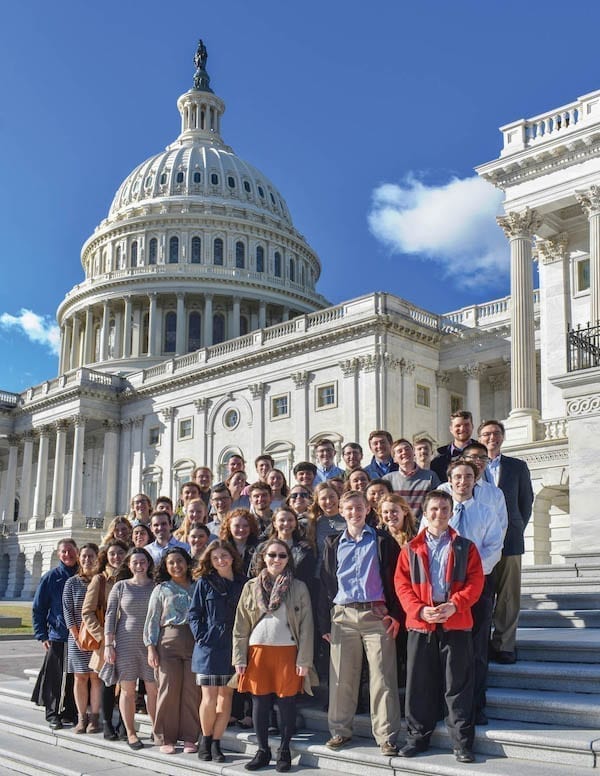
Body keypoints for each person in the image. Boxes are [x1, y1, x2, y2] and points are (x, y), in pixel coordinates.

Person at [394, 490, 484, 764]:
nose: (439, 514)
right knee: (419, 684)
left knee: (457, 685)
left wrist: (455, 605)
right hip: (422, 624)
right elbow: (402, 584)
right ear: (425, 513)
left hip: (455, 622)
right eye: (434, 509)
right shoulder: (411, 548)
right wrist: (420, 610)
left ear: (451, 512)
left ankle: (461, 743)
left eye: (445, 509)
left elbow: (475, 581)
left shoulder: (465, 546)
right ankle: (417, 738)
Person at [319, 491, 401, 755]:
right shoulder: (332, 543)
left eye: (359, 507)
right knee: (342, 677)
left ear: (368, 509)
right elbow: (325, 583)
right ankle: (340, 731)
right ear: (341, 511)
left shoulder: (382, 540)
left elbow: (397, 579)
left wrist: (396, 614)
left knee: (383, 677)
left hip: (376, 614)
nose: (354, 512)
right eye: (349, 508)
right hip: (343, 616)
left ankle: (386, 736)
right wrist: (325, 624)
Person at [233, 539, 315, 772]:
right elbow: (240, 624)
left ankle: (284, 750)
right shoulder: (250, 586)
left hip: (287, 652)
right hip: (257, 652)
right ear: (264, 557)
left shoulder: (298, 587)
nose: (276, 560)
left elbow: (307, 626)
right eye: (272, 555)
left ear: (288, 559)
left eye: (282, 555)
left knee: (287, 703)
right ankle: (262, 750)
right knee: (259, 703)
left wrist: (304, 660)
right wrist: (239, 657)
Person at [445, 460, 505, 725]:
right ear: (450, 480)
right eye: (457, 477)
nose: (462, 481)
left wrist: (471, 575)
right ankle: (447, 705)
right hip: (445, 589)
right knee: (449, 650)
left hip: (478, 587)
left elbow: (494, 548)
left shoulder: (486, 512)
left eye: (468, 476)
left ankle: (476, 706)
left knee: (478, 648)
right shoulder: (438, 512)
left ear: (475, 479)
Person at [479, 419, 533, 665]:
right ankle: (481, 642)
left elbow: (526, 503)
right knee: (481, 593)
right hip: (479, 543)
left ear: (502, 437)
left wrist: (516, 526)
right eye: (487, 434)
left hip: (510, 540)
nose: (491, 437)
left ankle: (504, 644)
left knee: (509, 596)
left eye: (496, 433)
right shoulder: (472, 466)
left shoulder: (517, 467)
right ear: (480, 438)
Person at [189, 540, 247, 762]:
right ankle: (205, 738)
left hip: (234, 646)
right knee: (209, 696)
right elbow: (194, 614)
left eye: (224, 556)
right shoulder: (205, 583)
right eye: (215, 558)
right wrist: (202, 636)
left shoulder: (243, 583)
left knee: (226, 696)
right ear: (210, 562)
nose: (221, 560)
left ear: (232, 557)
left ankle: (216, 743)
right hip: (210, 647)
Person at [144, 547, 199, 754]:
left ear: (187, 563)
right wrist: (151, 648)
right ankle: (166, 737)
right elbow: (152, 620)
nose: (176, 565)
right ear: (166, 567)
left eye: (180, 561)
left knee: (192, 691)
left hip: (194, 641)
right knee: (168, 689)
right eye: (171, 563)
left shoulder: (197, 586)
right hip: (168, 641)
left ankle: (190, 737)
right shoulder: (162, 589)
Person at [104, 547, 157, 750]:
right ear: (129, 564)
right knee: (127, 691)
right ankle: (131, 733)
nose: (139, 565)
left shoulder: (156, 587)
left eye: (143, 561)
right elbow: (110, 616)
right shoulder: (120, 587)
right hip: (125, 643)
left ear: (148, 563)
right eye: (135, 562)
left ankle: (156, 728)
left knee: (152, 689)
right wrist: (109, 645)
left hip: (150, 644)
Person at [82, 539, 128, 740]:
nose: (116, 557)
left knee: (127, 684)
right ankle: (108, 722)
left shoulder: (132, 576)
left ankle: (124, 723)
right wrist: (102, 637)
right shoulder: (99, 580)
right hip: (107, 641)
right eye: (112, 554)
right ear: (106, 556)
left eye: (120, 553)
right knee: (108, 684)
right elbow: (87, 612)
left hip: (128, 639)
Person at [31, 538, 79, 729]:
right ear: (59, 554)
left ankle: (70, 710)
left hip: (79, 637)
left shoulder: (84, 576)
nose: (67, 554)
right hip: (58, 635)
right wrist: (41, 634)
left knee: (75, 676)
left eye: (70, 550)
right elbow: (38, 608)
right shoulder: (51, 577)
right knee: (55, 677)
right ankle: (52, 713)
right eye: (63, 551)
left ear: (77, 551)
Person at [62, 542, 102, 734]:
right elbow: (67, 612)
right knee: (80, 677)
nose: (87, 559)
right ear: (79, 558)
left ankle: (94, 718)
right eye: (84, 556)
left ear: (97, 557)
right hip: (77, 638)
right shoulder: (72, 582)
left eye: (91, 556)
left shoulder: (101, 581)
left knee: (95, 678)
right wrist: (77, 637)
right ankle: (81, 718)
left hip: (98, 638)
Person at [383, 438, 440, 520]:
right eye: (400, 451)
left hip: (422, 527)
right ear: (394, 459)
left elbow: (436, 503)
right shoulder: (388, 479)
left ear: (413, 453)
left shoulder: (430, 476)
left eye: (407, 449)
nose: (404, 452)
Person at [430, 410, 477, 483]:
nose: (462, 429)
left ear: (472, 427)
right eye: (458, 425)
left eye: (466, 425)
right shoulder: (438, 458)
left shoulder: (483, 454)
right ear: (451, 429)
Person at [220, 508, 260, 575]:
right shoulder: (222, 547)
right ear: (229, 527)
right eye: (237, 526)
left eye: (246, 526)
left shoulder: (259, 547)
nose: (241, 529)